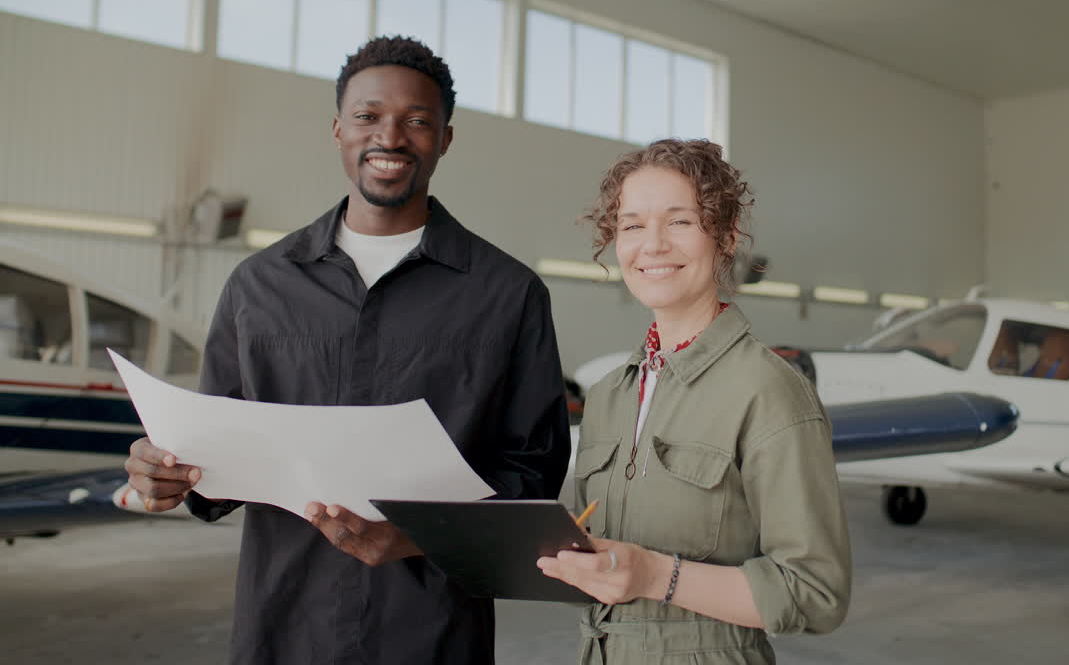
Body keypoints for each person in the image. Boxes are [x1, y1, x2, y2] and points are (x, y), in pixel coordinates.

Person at [124, 36, 570, 664]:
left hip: (434, 632)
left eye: (417, 121)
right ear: (338, 129)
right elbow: (213, 462)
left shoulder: (508, 294)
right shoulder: (258, 285)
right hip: (283, 623)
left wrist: (415, 536)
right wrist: (167, 471)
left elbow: (533, 474)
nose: (390, 137)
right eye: (367, 117)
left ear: (444, 139)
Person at [538, 139, 851, 664]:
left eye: (679, 222)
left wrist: (657, 575)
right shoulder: (612, 394)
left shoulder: (767, 390)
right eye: (632, 225)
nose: (652, 245)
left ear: (725, 237)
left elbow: (816, 593)